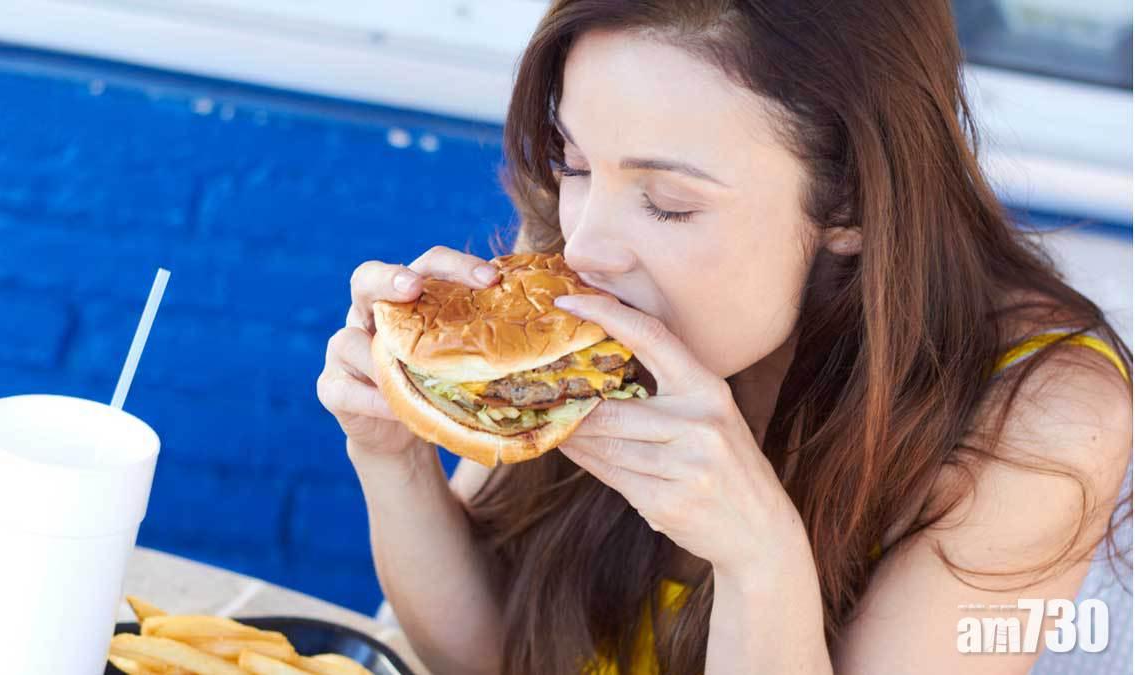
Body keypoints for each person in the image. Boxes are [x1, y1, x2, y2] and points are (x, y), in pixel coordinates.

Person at [317, 1, 1133, 673]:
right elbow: (486, 660)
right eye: (574, 163)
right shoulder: (589, 271)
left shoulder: (1046, 415)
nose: (584, 246)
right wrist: (393, 456)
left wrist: (758, 561)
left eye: (668, 200)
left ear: (852, 201)